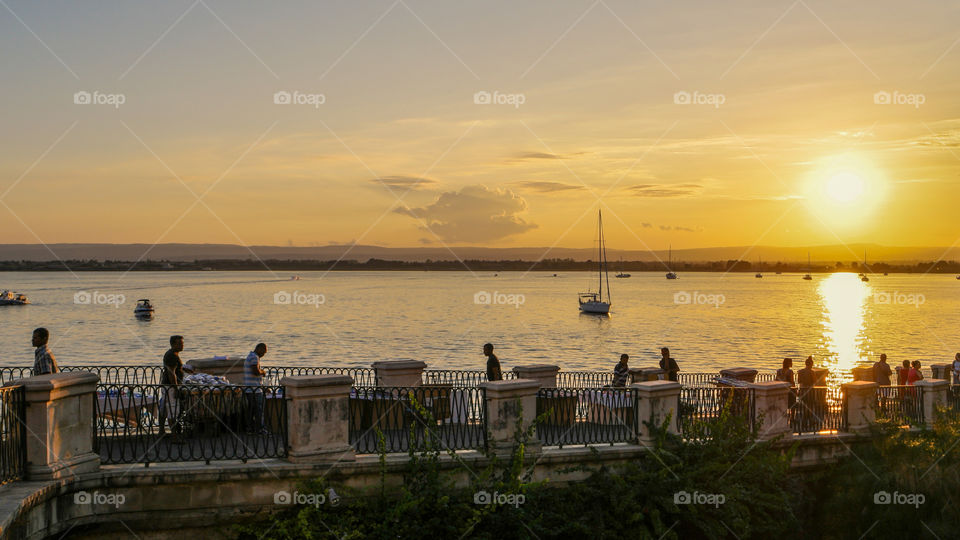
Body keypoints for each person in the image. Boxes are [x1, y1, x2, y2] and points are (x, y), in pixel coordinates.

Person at [158, 335, 194, 440]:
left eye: (182, 343)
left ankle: (161, 431)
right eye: (180, 343)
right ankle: (174, 436)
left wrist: (184, 369)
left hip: (167, 386)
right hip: (171, 387)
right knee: (173, 410)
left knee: (164, 408)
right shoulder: (172, 356)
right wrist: (176, 387)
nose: (182, 345)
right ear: (173, 344)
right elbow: (171, 373)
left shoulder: (173, 354)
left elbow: (176, 368)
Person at [243, 343, 268, 434]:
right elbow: (256, 372)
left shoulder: (250, 356)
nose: (263, 355)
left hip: (250, 388)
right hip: (255, 389)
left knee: (251, 410)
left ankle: (249, 428)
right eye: (264, 352)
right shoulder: (254, 357)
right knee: (259, 410)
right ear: (259, 349)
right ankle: (260, 429)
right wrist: (263, 372)